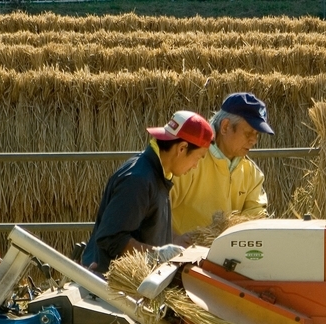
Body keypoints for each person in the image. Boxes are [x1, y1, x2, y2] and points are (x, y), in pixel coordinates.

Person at [81, 110, 214, 274]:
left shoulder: (157, 175)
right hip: (108, 283)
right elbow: (111, 238)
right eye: (198, 158)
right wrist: (157, 254)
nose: (195, 166)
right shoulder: (138, 180)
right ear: (182, 148)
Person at [169, 92, 274, 238]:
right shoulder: (189, 161)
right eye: (249, 133)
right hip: (183, 251)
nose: (254, 140)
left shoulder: (252, 173)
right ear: (225, 126)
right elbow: (156, 212)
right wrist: (176, 243)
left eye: (257, 134)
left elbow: (256, 219)